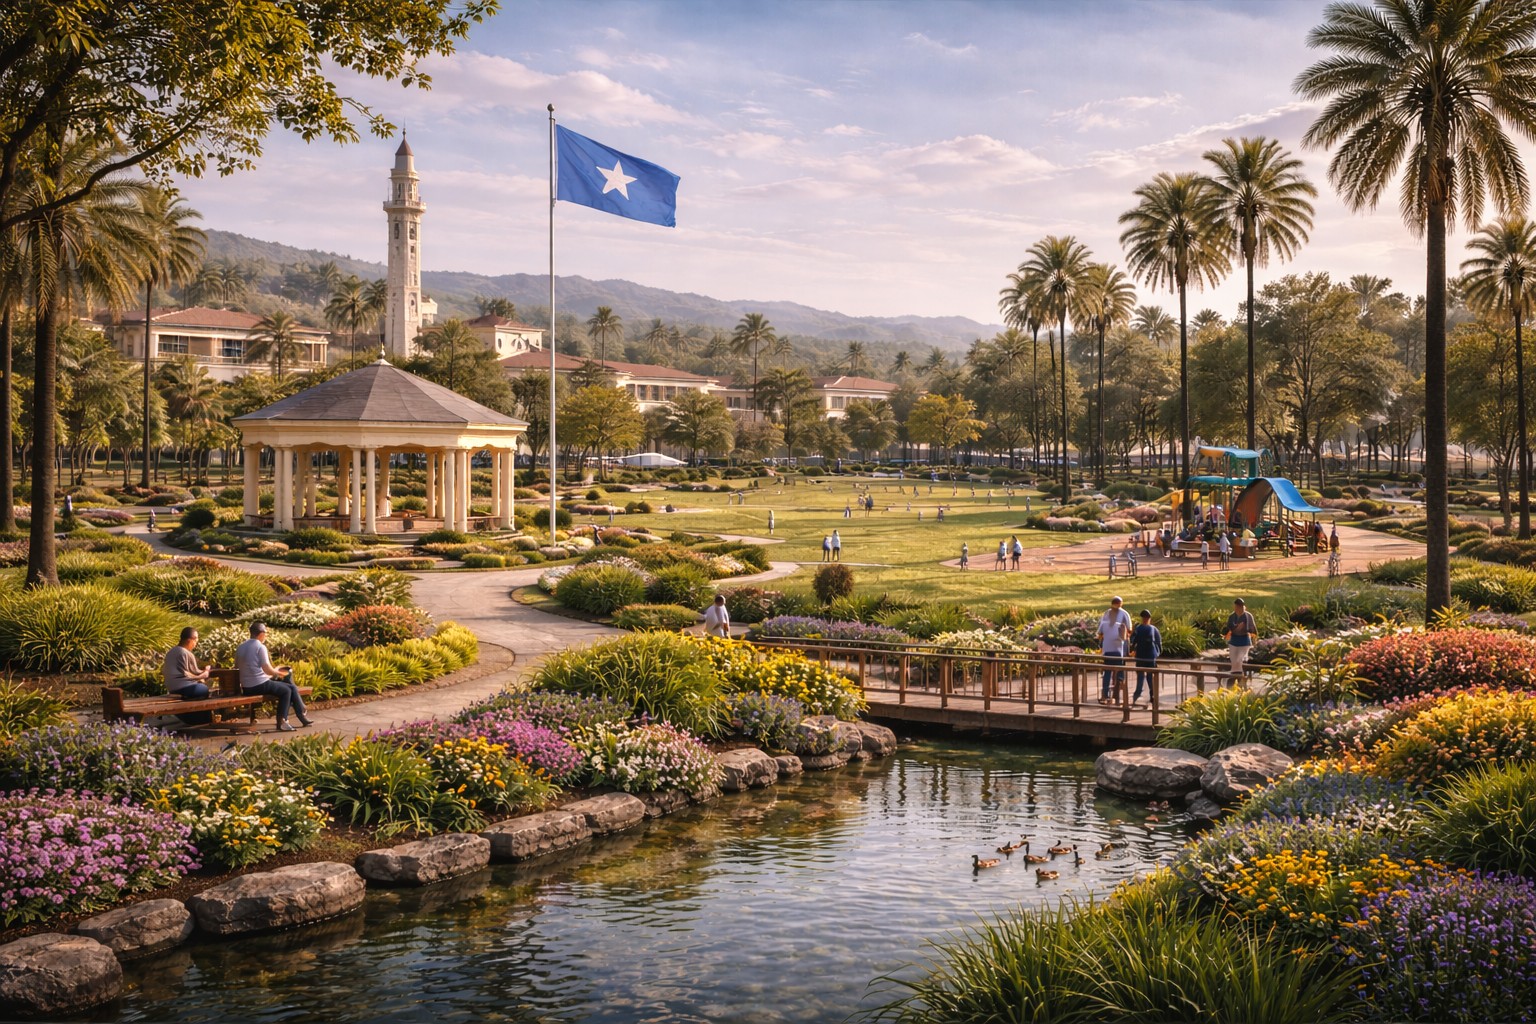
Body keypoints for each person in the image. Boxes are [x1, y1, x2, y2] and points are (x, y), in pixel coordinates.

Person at [237, 622, 311, 731]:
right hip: (258, 685)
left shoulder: (241, 647)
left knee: (290, 686)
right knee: (286, 690)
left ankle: (300, 714)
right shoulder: (260, 647)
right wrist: (278, 672)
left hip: (246, 687)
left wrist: (274, 672)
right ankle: (284, 721)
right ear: (261, 634)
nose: (265, 636)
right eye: (265, 633)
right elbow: (267, 669)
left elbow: (237, 667)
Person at [163, 626, 213, 724]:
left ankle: (198, 718)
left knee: (201, 688)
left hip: (171, 688)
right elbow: (194, 673)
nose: (195, 644)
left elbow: (190, 672)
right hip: (183, 688)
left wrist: (203, 673)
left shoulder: (171, 652)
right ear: (189, 640)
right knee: (204, 689)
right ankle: (201, 719)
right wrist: (206, 672)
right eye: (195, 641)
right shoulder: (185, 652)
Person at [1097, 596, 1132, 704]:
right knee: (1119, 673)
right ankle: (1116, 697)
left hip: (1108, 650)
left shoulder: (1105, 619)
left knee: (1107, 673)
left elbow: (1100, 634)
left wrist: (1104, 641)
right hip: (1118, 651)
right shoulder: (1121, 623)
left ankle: (1105, 695)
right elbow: (1128, 633)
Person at [1130, 610, 1162, 707]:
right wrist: (1157, 653)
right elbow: (1159, 643)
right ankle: (1151, 695)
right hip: (1150, 656)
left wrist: (1132, 650)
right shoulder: (1153, 629)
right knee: (1149, 677)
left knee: (1142, 677)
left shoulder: (1139, 628)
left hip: (1142, 656)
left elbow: (1133, 641)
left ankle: (1137, 696)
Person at [1224, 598, 1258, 682]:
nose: (1239, 608)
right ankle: (1233, 679)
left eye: (1241, 606)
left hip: (1244, 641)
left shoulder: (1248, 616)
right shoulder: (1232, 617)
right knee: (1234, 660)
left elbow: (1253, 629)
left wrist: (1254, 640)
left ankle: (1240, 679)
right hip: (1234, 641)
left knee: (1240, 659)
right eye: (1237, 606)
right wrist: (1236, 627)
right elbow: (1229, 628)